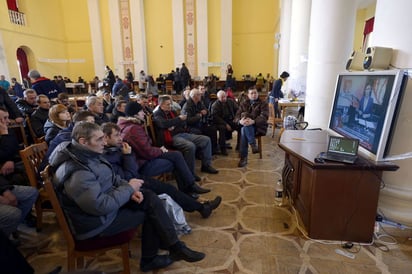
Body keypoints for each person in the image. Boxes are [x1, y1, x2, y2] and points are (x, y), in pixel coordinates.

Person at [49, 122, 205, 272]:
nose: (104, 142)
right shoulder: (78, 172)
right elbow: (100, 206)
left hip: (105, 209)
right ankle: (157, 255)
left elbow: (112, 177)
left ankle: (172, 246)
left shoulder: (87, 154)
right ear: (83, 141)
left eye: (104, 137)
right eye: (99, 139)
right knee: (150, 211)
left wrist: (131, 190)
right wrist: (129, 188)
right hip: (96, 224)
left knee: (148, 197)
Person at [102, 122, 221, 218]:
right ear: (106, 138)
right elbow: (130, 175)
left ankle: (197, 202)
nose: (120, 138)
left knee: (174, 166)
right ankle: (199, 203)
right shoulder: (108, 156)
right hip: (129, 184)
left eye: (119, 134)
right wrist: (127, 155)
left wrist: (128, 154)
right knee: (169, 187)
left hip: (135, 176)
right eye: (116, 135)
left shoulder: (116, 148)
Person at [118, 102, 210, 197]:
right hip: (142, 164)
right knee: (176, 159)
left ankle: (189, 188)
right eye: (141, 111)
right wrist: (161, 150)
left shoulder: (130, 126)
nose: (144, 113)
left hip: (143, 158)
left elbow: (146, 148)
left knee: (176, 155)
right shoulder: (133, 129)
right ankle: (190, 187)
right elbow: (147, 152)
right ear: (135, 114)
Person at [153, 95, 218, 179]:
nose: (170, 106)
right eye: (168, 104)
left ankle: (206, 165)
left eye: (170, 104)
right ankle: (189, 173)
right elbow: (163, 124)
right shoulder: (157, 114)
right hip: (172, 137)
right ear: (161, 105)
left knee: (206, 139)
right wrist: (176, 121)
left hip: (181, 133)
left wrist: (174, 123)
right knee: (190, 146)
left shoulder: (172, 112)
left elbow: (183, 123)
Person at [235, 86, 269, 167]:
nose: (254, 95)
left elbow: (264, 117)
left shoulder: (263, 103)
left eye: (255, 93)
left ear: (258, 94)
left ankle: (244, 158)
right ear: (248, 95)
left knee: (244, 130)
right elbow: (236, 116)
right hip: (246, 126)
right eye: (252, 93)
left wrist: (253, 121)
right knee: (244, 128)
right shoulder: (243, 103)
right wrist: (240, 121)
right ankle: (253, 145)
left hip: (259, 127)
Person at [182, 88, 218, 155]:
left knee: (212, 129)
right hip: (189, 126)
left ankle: (213, 150)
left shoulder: (199, 103)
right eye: (198, 95)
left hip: (199, 123)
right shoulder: (187, 105)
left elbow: (206, 110)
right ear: (194, 96)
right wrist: (199, 116)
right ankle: (199, 153)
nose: (200, 95)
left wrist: (205, 111)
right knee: (198, 132)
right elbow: (187, 120)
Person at [211, 90, 240, 155]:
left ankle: (239, 145)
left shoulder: (230, 101)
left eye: (225, 96)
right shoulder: (215, 105)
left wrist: (236, 118)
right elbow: (216, 117)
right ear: (218, 98)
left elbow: (238, 109)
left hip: (230, 119)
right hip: (220, 122)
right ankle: (222, 148)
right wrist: (226, 124)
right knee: (222, 128)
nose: (224, 98)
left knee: (240, 126)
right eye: (222, 97)